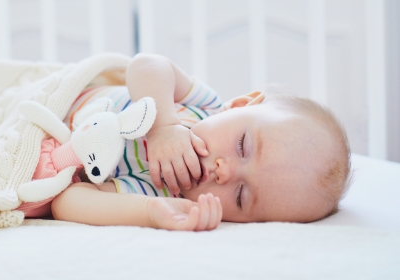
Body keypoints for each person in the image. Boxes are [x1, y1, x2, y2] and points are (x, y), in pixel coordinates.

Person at [26, 53, 351, 231]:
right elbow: (146, 65)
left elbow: (67, 202)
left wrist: (150, 212)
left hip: (41, 139)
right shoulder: (206, 107)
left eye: (240, 196)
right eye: (242, 146)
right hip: (56, 98)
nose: (224, 173)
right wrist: (163, 126)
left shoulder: (163, 189)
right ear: (239, 106)